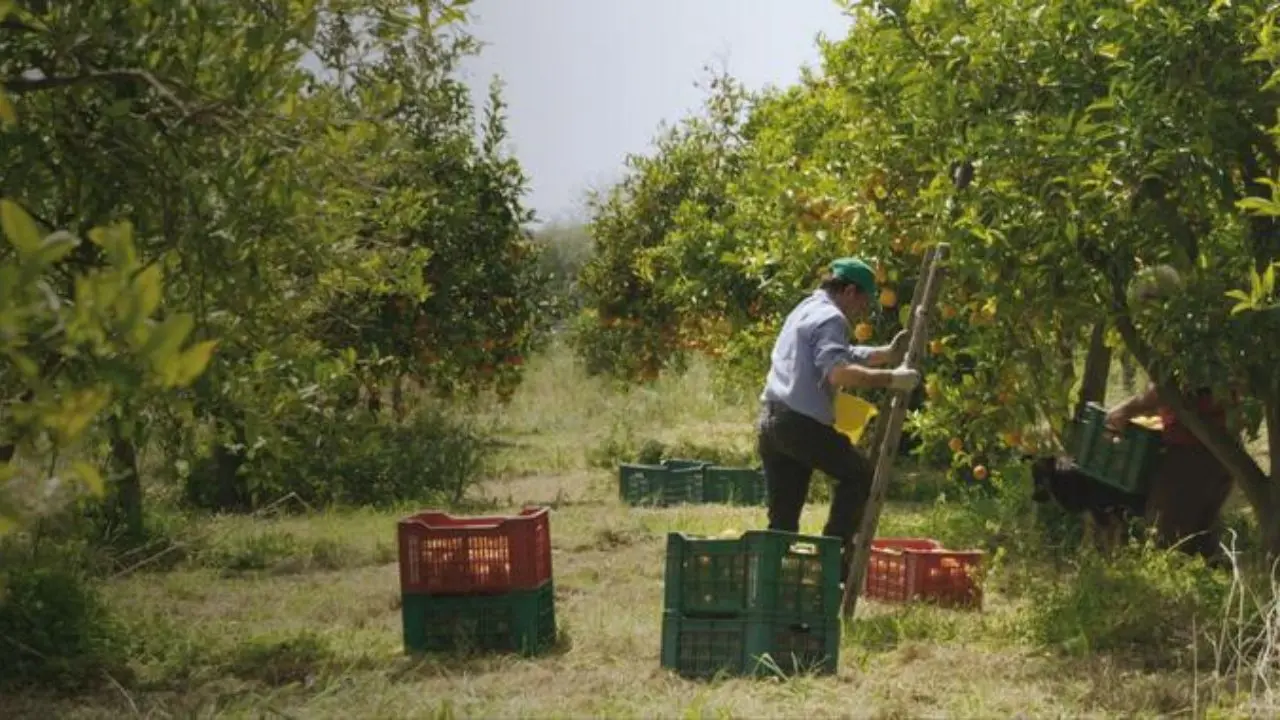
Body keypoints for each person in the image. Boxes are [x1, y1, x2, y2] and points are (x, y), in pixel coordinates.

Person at [756, 257, 920, 577]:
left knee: (782, 522)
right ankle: (832, 559)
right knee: (859, 475)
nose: (863, 311)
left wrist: (885, 354)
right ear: (849, 291)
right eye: (863, 301)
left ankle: (770, 587)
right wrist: (892, 378)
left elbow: (838, 354)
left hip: (771, 423)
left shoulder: (805, 309)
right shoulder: (832, 318)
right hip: (800, 425)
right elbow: (839, 372)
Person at [1105, 384, 1234, 560]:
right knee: (1200, 538)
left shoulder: (1193, 369)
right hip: (1220, 454)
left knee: (1166, 539)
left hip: (1190, 453)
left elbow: (1166, 388)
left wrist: (1125, 410)